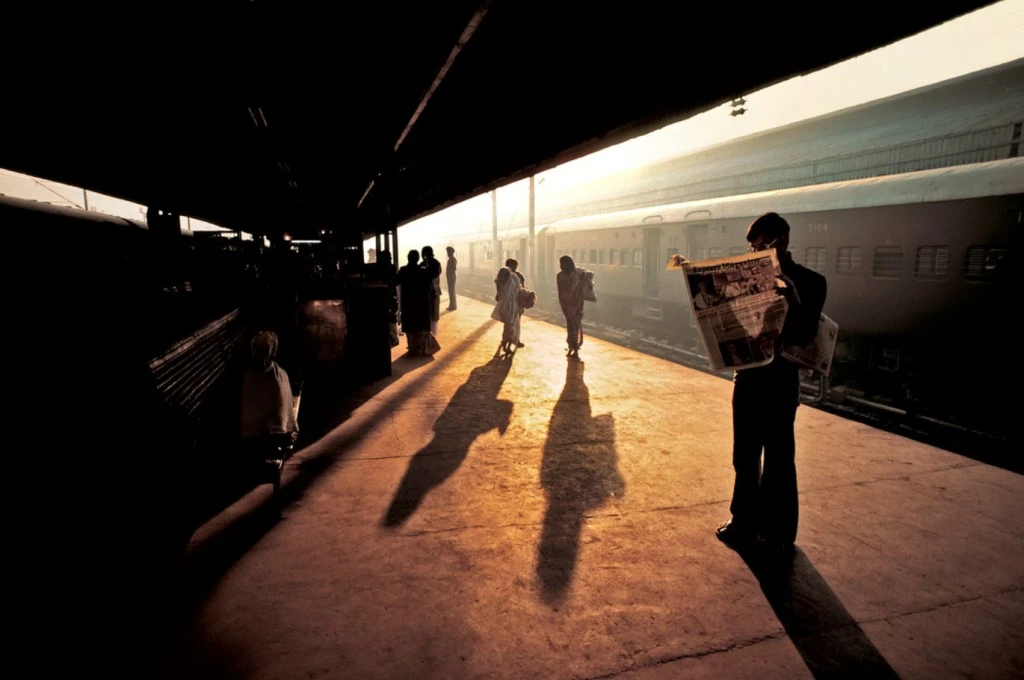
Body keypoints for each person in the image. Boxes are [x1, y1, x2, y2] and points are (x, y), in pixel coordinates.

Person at [715, 212, 827, 555]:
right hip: (748, 377)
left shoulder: (811, 282)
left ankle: (779, 530)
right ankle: (743, 521)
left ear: (784, 242)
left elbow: (807, 334)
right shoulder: (744, 278)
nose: (756, 252)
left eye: (763, 245)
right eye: (753, 247)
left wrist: (790, 295)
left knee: (779, 455)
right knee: (744, 454)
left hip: (780, 380)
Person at [240, 330, 299, 451]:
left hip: (270, 437)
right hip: (276, 435)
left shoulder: (252, 377)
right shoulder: (280, 374)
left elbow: (252, 424)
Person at [398, 250, 439, 356]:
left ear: (408, 258)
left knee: (410, 329)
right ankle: (420, 350)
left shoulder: (403, 270)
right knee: (420, 328)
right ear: (417, 259)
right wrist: (428, 260)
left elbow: (395, 281)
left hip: (408, 305)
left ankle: (412, 349)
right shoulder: (423, 271)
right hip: (422, 305)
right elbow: (435, 273)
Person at [556, 255, 588, 358]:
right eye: (561, 265)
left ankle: (575, 347)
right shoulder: (561, 276)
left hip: (577, 305)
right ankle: (572, 347)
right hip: (566, 305)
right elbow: (561, 291)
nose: (562, 267)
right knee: (571, 327)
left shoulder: (576, 274)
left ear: (568, 264)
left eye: (563, 264)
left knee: (575, 327)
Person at [492, 263, 522, 354]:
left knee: (511, 327)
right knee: (510, 327)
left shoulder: (510, 281)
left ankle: (507, 345)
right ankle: (506, 344)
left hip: (510, 307)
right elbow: (503, 295)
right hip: (507, 307)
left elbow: (517, 288)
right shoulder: (501, 283)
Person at [421, 246, 442, 335]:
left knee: (433, 316)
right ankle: (430, 336)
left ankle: (432, 335)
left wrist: (425, 269)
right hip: (430, 292)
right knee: (430, 315)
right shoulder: (432, 263)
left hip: (432, 292)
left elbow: (433, 274)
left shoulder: (434, 263)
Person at [445, 246, 458, 311]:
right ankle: (452, 305)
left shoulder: (452, 259)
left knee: (451, 291)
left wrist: (449, 272)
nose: (447, 253)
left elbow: (454, 268)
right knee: (451, 291)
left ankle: (453, 306)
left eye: (448, 252)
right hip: (451, 277)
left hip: (451, 277)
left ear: (451, 252)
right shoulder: (451, 259)